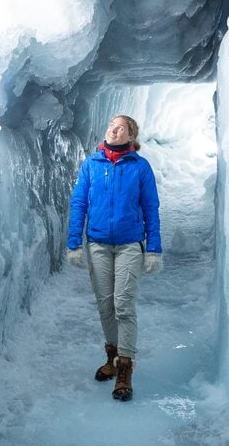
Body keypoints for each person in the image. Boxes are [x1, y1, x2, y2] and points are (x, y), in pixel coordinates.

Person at [65, 114, 162, 402]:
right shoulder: (91, 164)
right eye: (111, 125)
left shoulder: (140, 168)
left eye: (121, 127)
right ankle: (113, 355)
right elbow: (79, 203)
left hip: (129, 245)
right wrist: (74, 243)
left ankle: (125, 369)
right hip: (97, 244)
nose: (114, 129)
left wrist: (153, 248)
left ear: (131, 137)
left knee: (123, 305)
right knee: (105, 305)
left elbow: (151, 208)